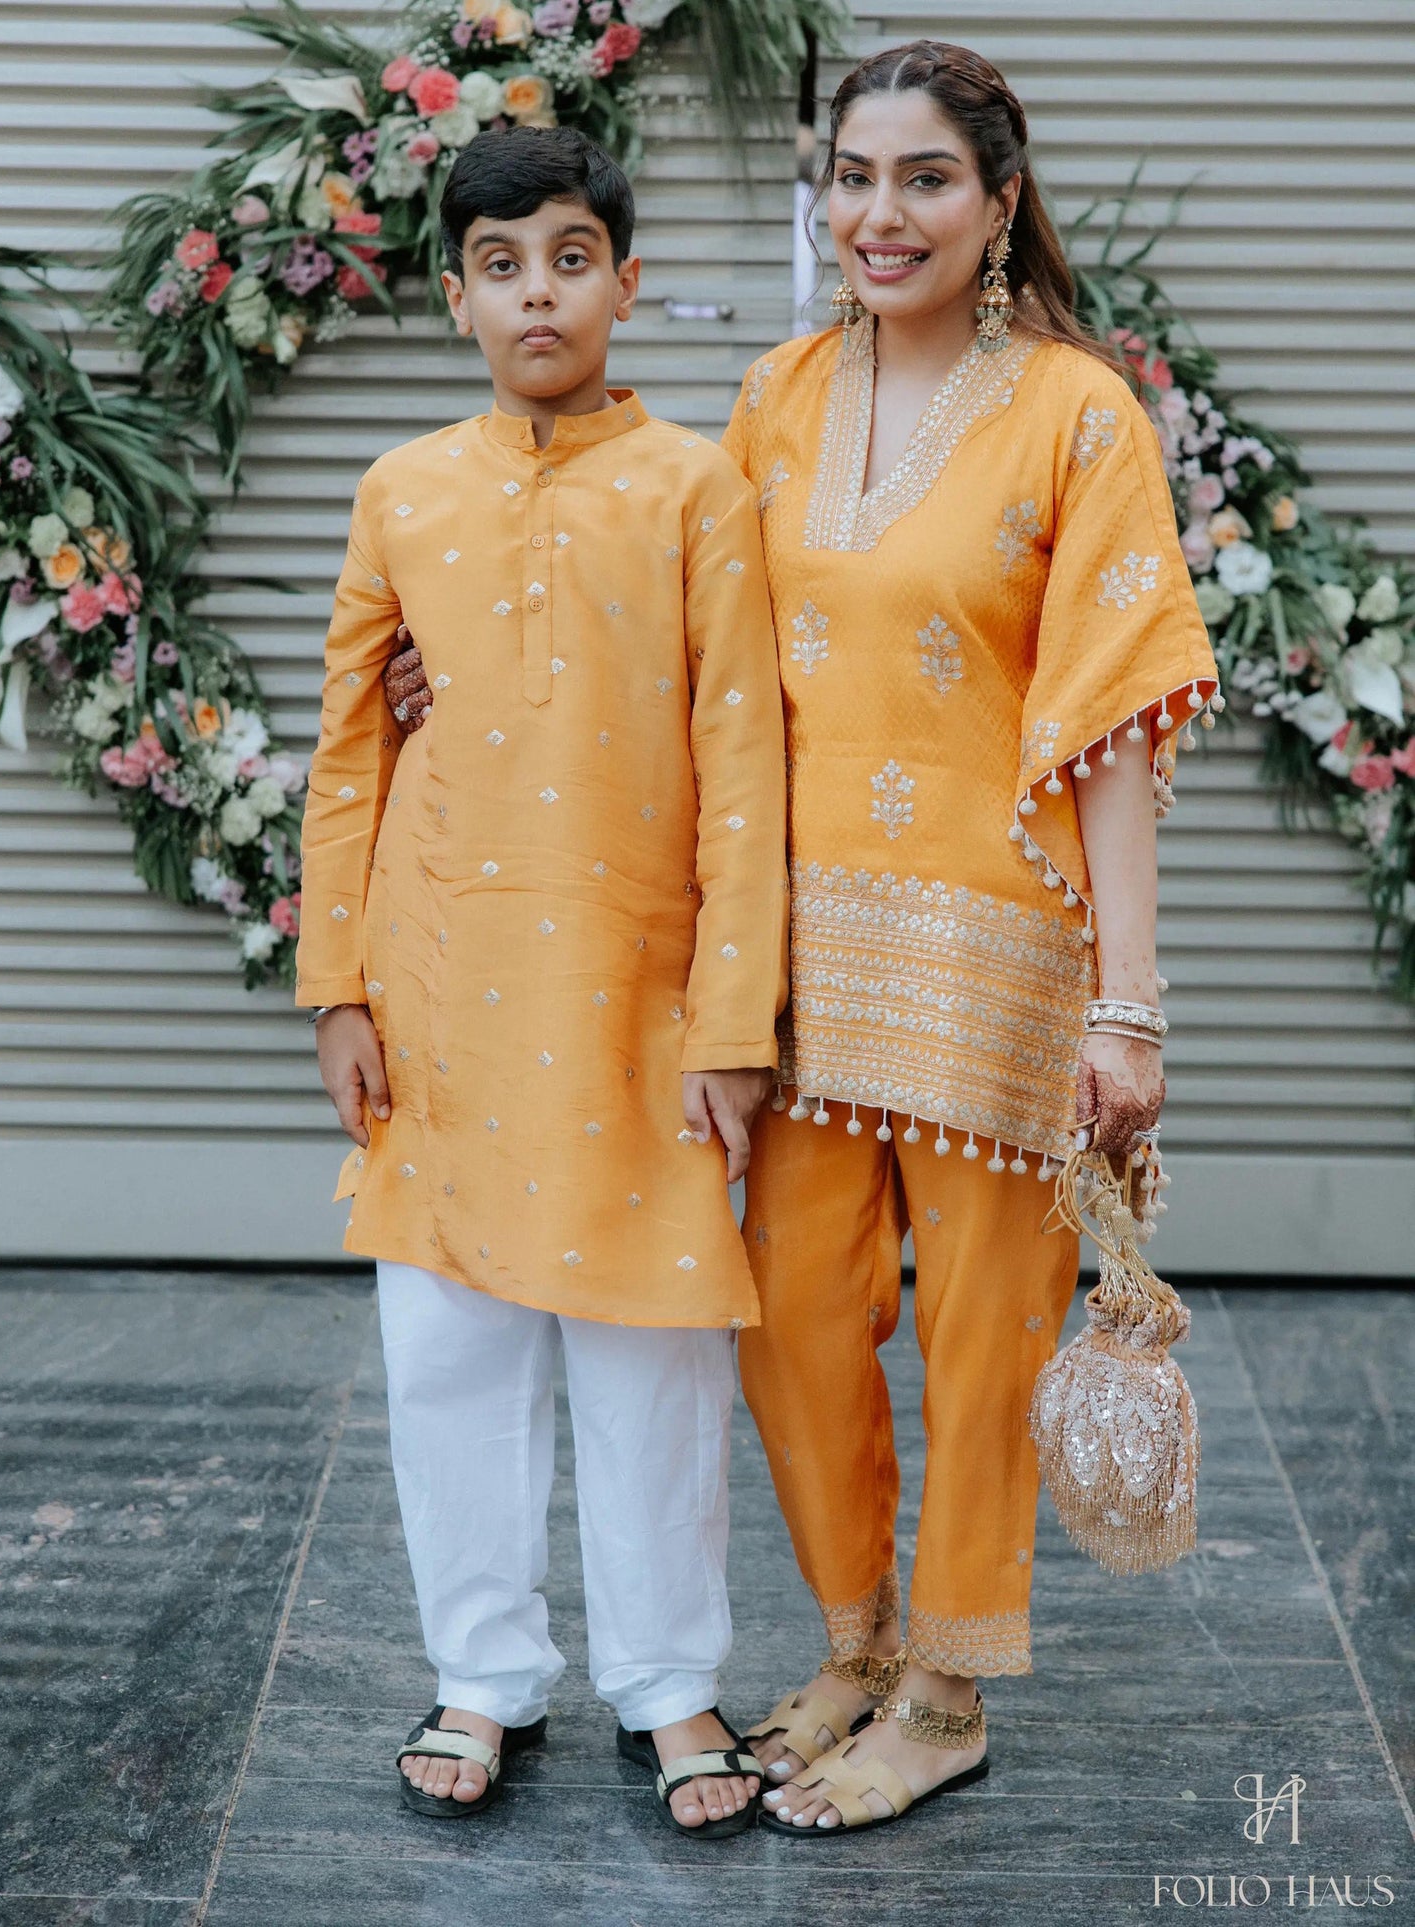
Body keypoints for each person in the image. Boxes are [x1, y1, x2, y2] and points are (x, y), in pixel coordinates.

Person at [381, 39, 1222, 1840]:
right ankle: (851, 1640)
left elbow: (1116, 719)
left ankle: (944, 1689)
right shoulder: (774, 396)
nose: (876, 213)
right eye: (850, 176)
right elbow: (662, 636)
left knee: (985, 1333)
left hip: (999, 952)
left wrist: (1130, 1009)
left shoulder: (1078, 413)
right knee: (794, 1327)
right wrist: (455, 663)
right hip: (788, 956)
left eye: (922, 179)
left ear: (998, 204)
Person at [295, 125, 786, 1838]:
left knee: (652, 1352)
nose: (538, 294)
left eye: (570, 257)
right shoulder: (403, 490)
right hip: (439, 986)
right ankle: (482, 1675)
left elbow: (745, 767)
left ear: (626, 281)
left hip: (637, 993)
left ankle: (670, 1684)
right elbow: (349, 754)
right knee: (448, 1350)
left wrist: (735, 1023)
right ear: (455, 297)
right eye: (500, 266)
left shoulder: (695, 488)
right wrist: (338, 988)